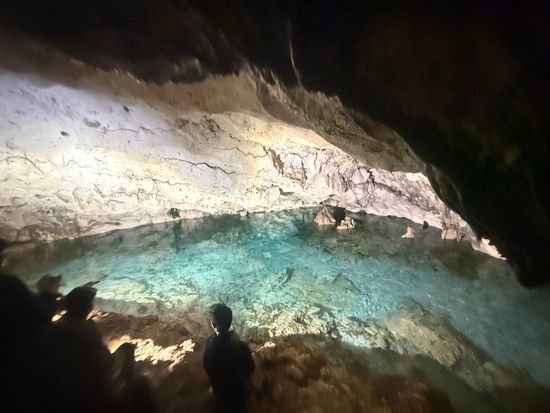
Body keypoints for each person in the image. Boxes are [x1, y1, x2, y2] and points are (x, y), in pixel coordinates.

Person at [203, 304, 255, 410]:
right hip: (238, 395)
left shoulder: (209, 344)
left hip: (218, 394)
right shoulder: (242, 346)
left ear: (213, 324)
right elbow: (250, 368)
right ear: (230, 321)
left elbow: (206, 366)